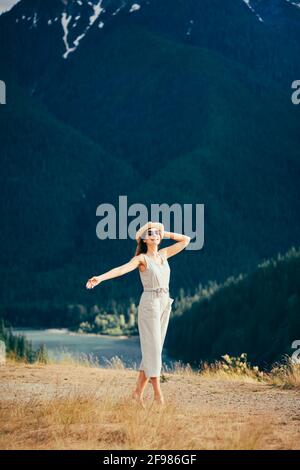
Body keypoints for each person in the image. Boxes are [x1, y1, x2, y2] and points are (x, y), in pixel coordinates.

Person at [86, 221, 191, 407]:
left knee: (154, 349)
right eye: (150, 233)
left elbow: (186, 240)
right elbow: (120, 270)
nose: (155, 235)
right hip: (150, 304)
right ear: (143, 238)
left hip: (165, 303)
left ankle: (137, 393)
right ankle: (159, 395)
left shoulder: (164, 254)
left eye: (157, 233)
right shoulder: (142, 259)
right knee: (154, 349)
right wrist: (100, 278)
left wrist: (163, 233)